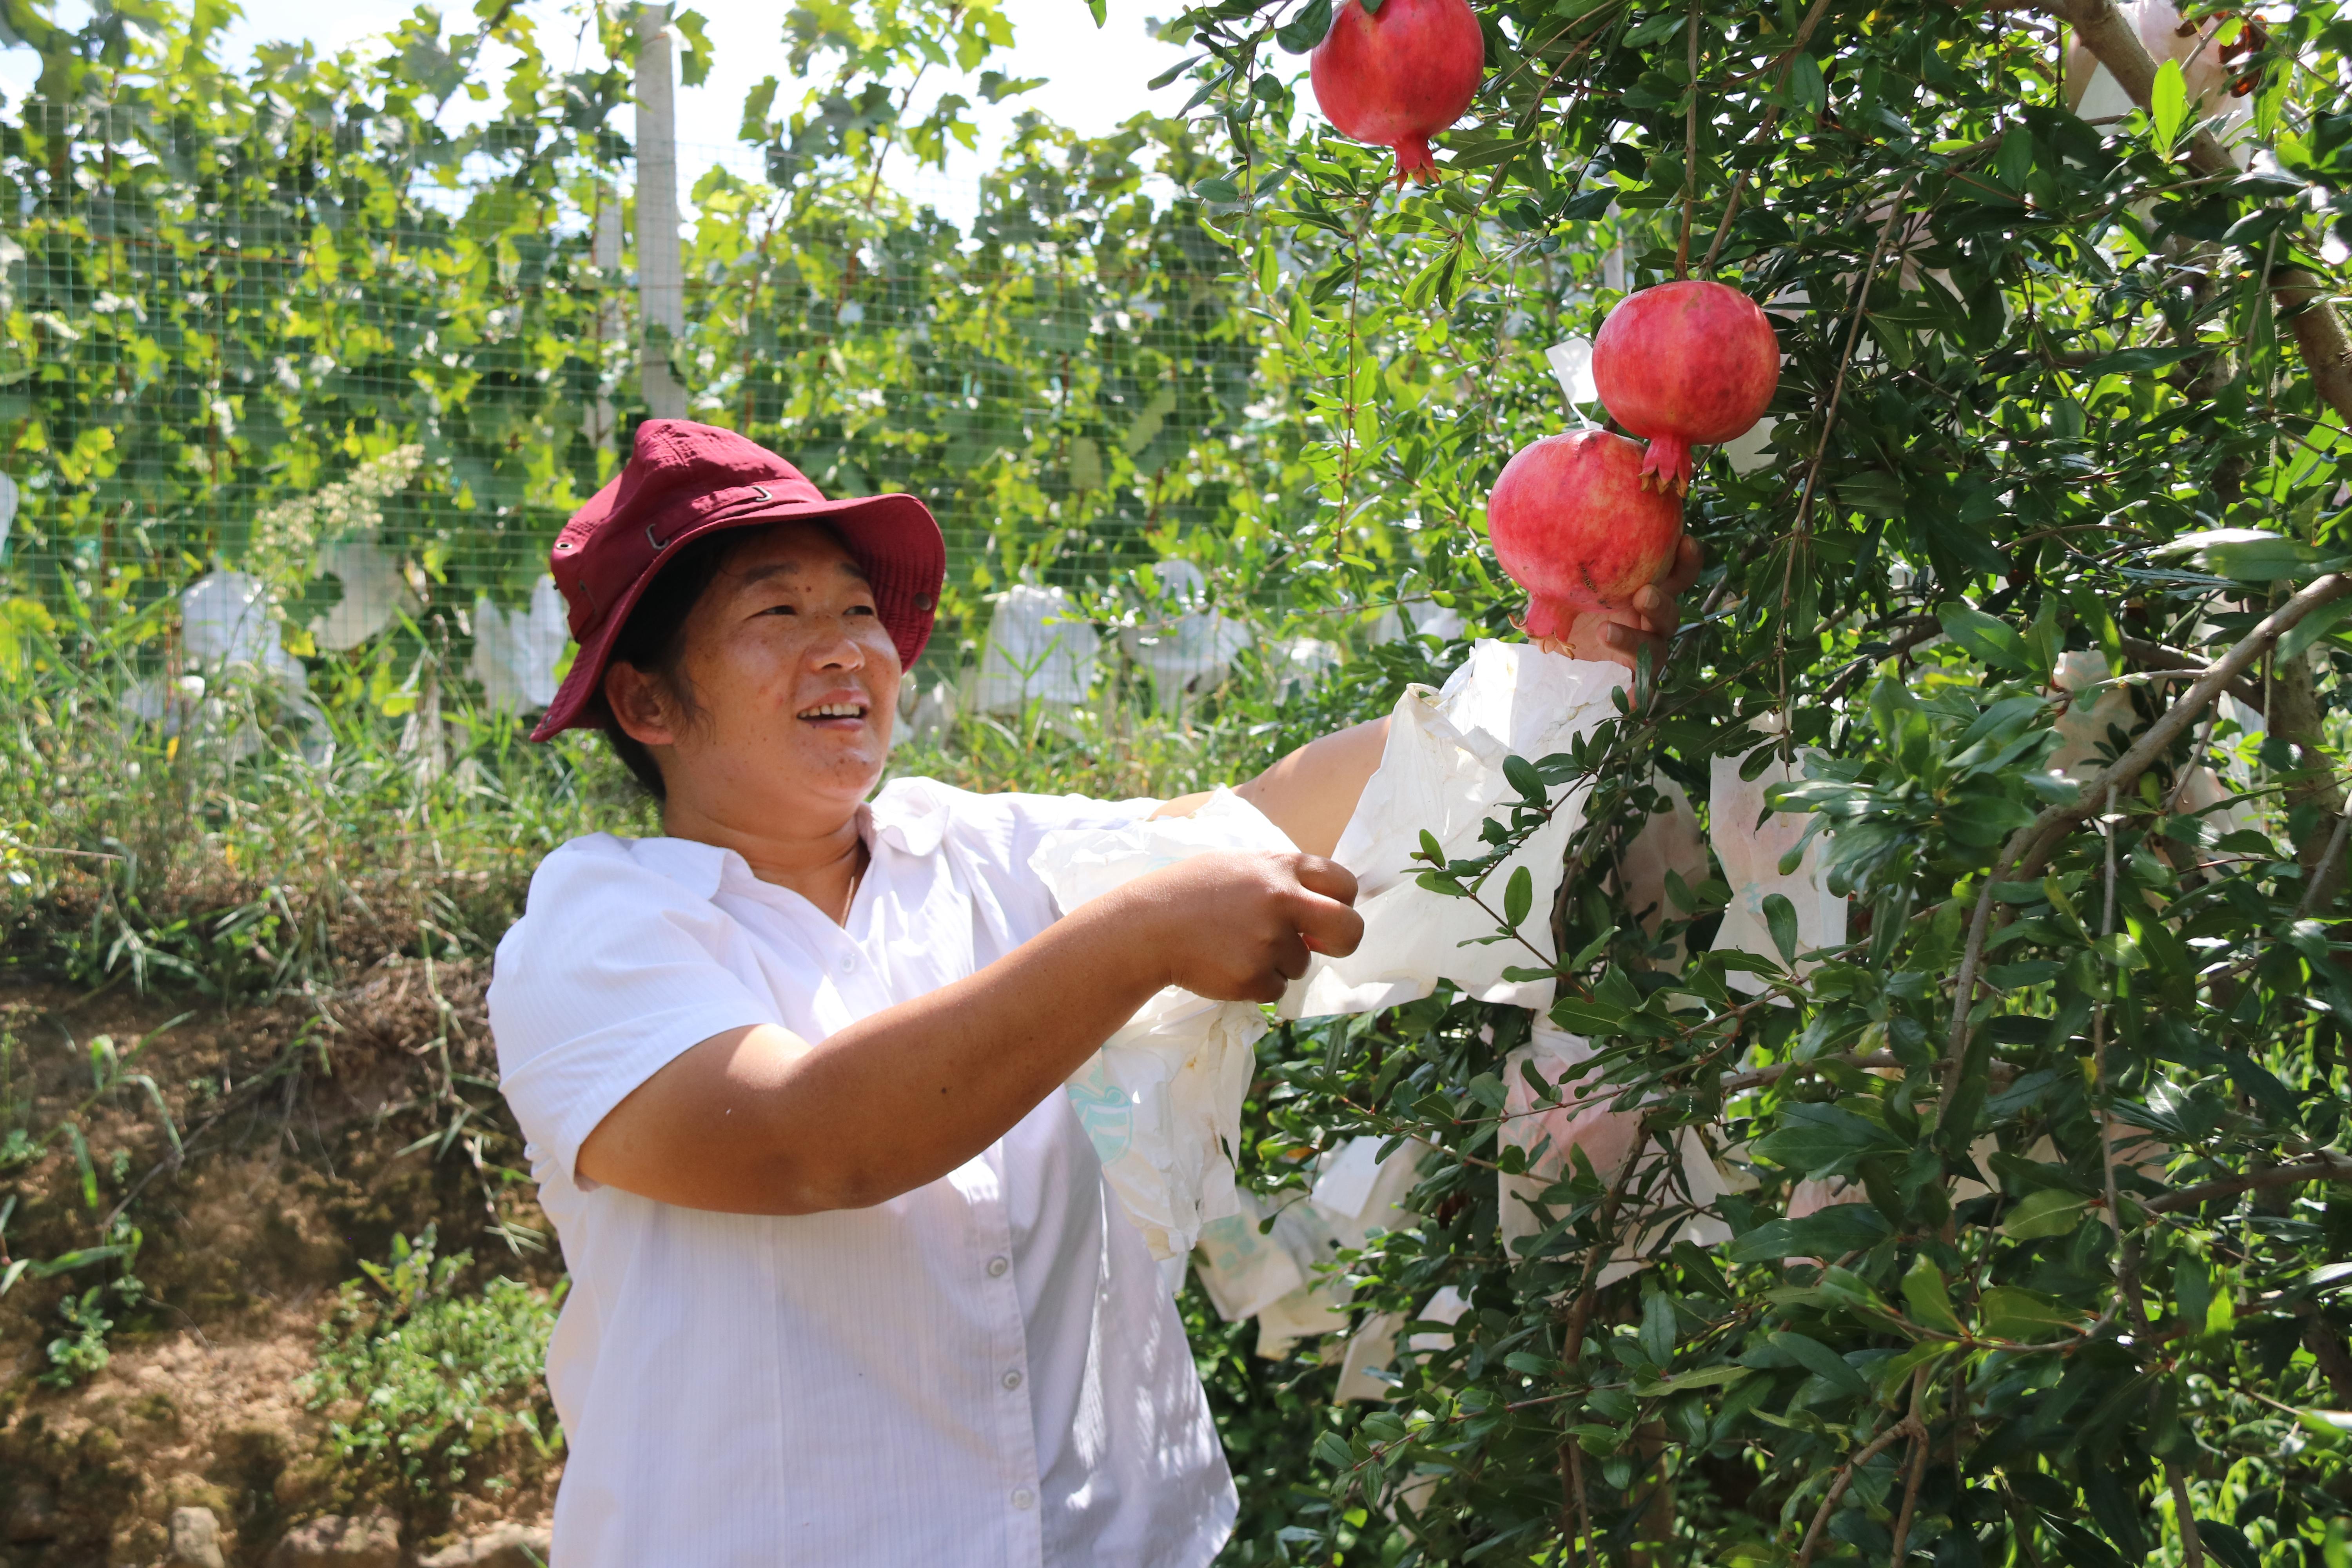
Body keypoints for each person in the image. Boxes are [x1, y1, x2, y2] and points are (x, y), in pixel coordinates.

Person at [487, 419, 1696, 1566]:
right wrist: (1139, 941)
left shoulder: (976, 852)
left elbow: (1264, 822)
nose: (846, 646)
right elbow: (808, 1142)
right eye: (778, 611)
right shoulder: (599, 930)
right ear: (647, 703)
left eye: (859, 608)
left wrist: (1562, 671)